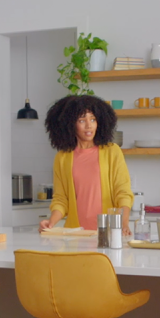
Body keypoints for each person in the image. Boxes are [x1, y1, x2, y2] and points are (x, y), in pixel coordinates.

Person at [39, 95, 133, 234]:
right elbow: (61, 199)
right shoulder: (62, 157)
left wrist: (124, 223)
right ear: (70, 124)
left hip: (108, 232)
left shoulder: (112, 151)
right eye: (82, 120)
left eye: (93, 119)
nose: (89, 125)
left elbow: (123, 193)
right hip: (76, 234)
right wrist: (51, 222)